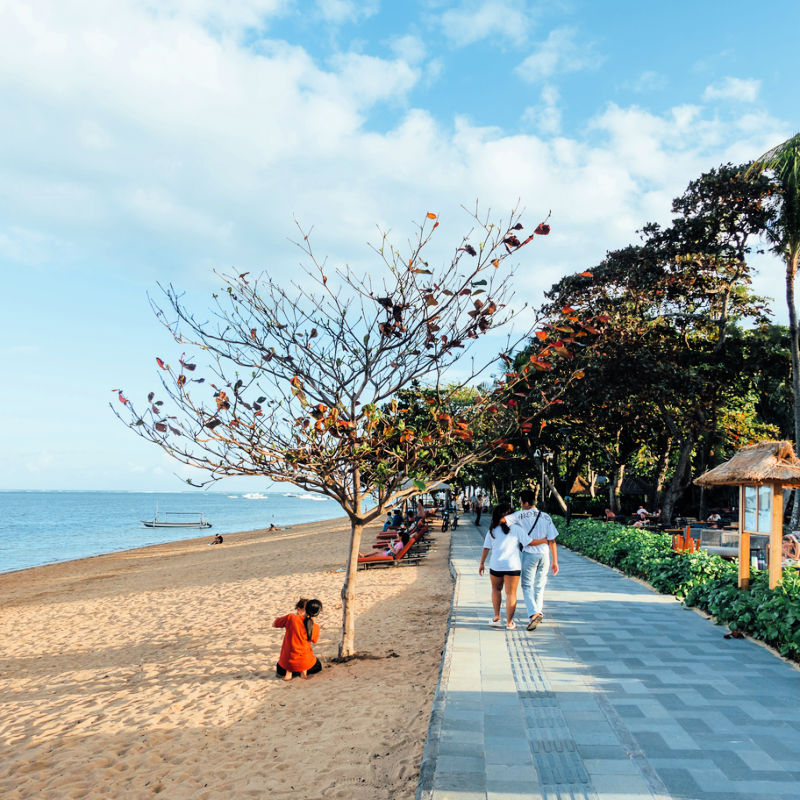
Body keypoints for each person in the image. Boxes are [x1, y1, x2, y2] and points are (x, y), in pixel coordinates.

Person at [505, 489, 559, 632]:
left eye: (521, 502)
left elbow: (502, 520)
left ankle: (534, 613)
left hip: (530, 554)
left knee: (527, 585)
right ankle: (536, 614)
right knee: (540, 586)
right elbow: (552, 540)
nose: (521, 505)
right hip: (545, 556)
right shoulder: (546, 517)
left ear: (526, 502)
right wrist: (555, 561)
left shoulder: (520, 515)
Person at [478, 503, 524, 629]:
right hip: (513, 566)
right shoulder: (517, 529)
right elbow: (527, 543)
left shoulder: (492, 530)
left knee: (496, 590)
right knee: (511, 593)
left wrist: (482, 563)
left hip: (496, 565)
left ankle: (497, 616)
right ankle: (510, 622)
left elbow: (486, 547)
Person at [273, 598, 323, 681]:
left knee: (281, 667)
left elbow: (275, 623)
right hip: (304, 663)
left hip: (285, 666)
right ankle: (303, 672)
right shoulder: (315, 627)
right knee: (318, 666)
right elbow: (314, 640)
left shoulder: (291, 618)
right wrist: (312, 620)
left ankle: (289, 673)